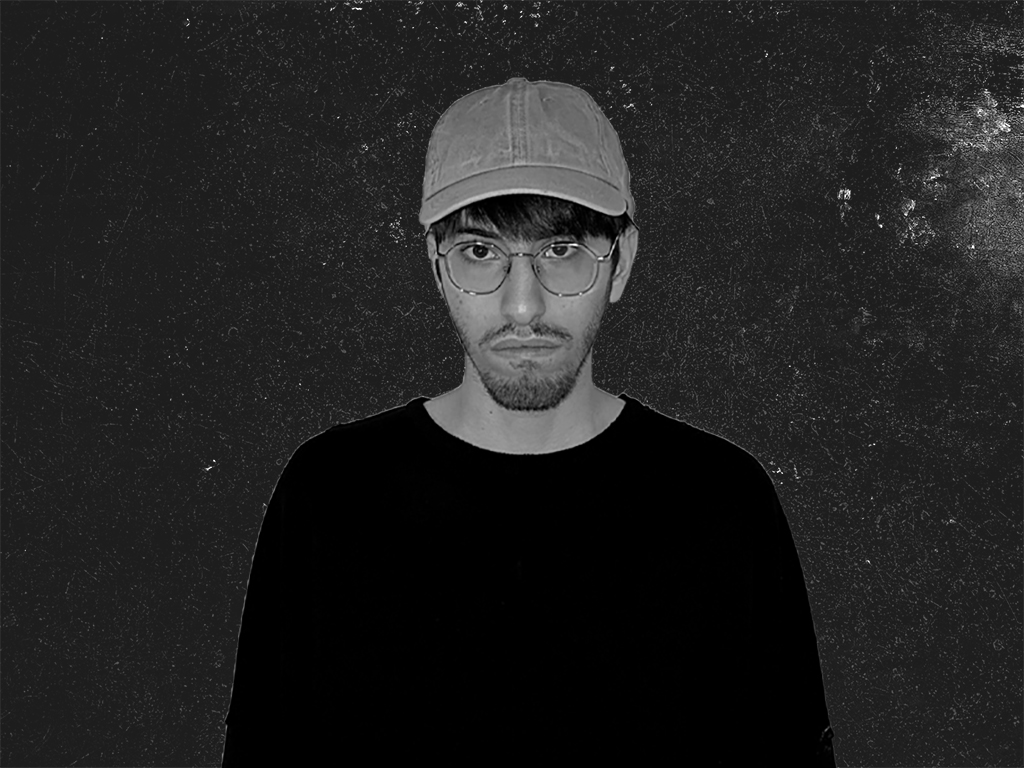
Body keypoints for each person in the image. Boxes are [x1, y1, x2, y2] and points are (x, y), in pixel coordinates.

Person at [222, 77, 837, 765]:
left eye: (561, 250)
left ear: (622, 261)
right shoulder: (331, 497)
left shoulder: (723, 505)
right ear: (436, 266)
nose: (523, 306)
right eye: (480, 251)